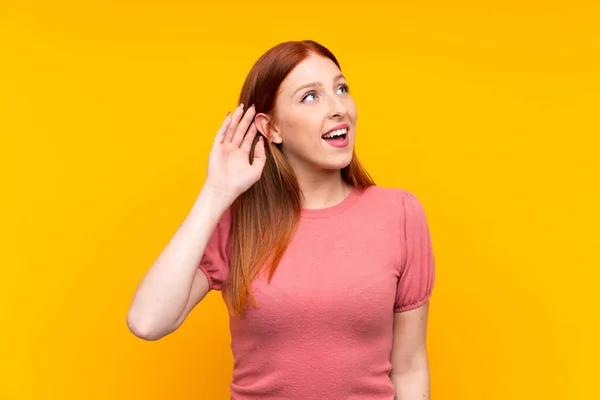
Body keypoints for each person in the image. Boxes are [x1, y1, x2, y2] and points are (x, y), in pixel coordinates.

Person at [127, 39, 436, 400]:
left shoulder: (399, 213)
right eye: (310, 96)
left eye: (341, 89)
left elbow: (410, 365)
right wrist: (216, 193)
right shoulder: (238, 221)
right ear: (271, 128)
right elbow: (148, 322)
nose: (338, 108)